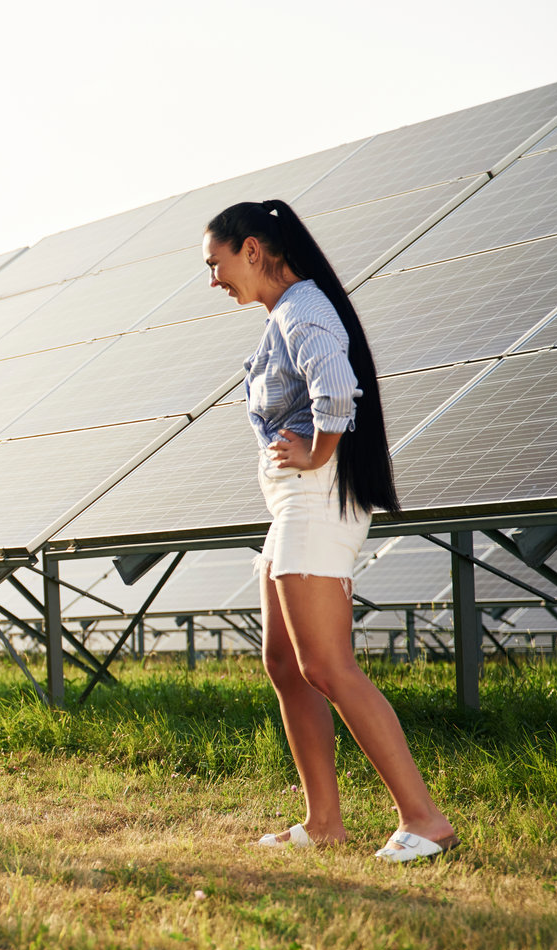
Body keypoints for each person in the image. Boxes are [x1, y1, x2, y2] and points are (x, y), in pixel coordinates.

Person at [203, 200, 459, 863]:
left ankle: (424, 818)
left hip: (315, 502)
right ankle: (323, 822)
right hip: (293, 505)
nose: (215, 279)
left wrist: (318, 452)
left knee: (326, 665)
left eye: (217, 264)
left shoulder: (302, 308)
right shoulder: (283, 316)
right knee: (286, 664)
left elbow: (336, 385)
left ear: (252, 249)